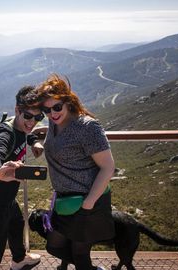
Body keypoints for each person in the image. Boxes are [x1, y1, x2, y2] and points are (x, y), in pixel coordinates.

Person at [34, 74, 115, 270]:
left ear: (67, 101)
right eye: (46, 109)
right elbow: (58, 137)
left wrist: (88, 204)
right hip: (64, 202)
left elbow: (108, 167)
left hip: (87, 201)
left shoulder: (88, 127)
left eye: (56, 107)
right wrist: (37, 140)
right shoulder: (55, 121)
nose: (52, 113)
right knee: (54, 246)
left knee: (80, 254)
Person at [0, 86, 44, 270]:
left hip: (5, 200)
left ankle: (19, 260)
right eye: (28, 116)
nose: (32, 122)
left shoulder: (19, 127)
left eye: (38, 117)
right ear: (17, 110)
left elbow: (26, 133)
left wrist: (34, 141)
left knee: (17, 223)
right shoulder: (4, 134)